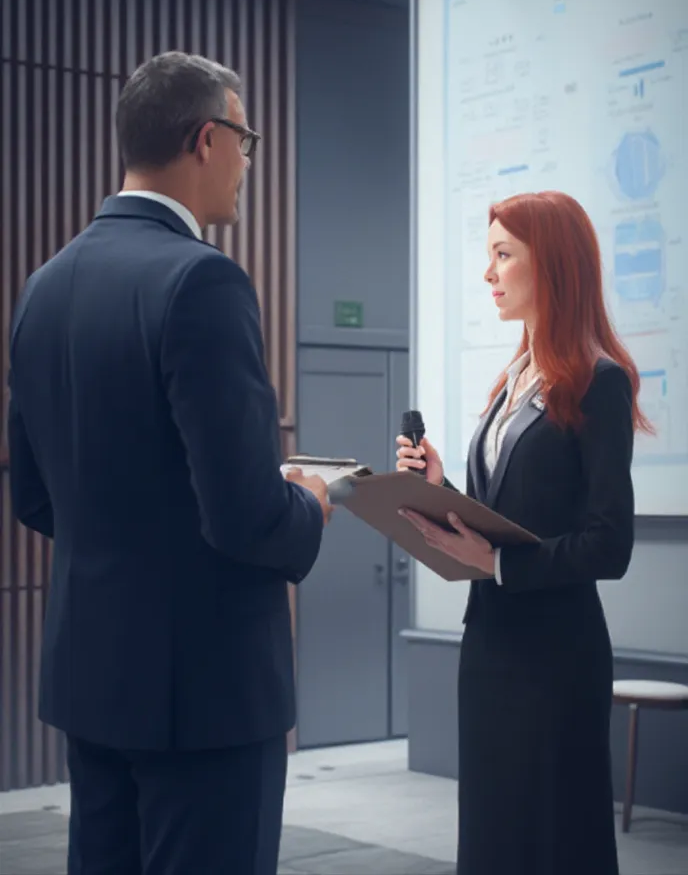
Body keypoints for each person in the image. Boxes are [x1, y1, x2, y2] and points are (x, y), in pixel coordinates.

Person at [8, 51, 332, 875]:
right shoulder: (203, 281)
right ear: (206, 139)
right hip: (204, 695)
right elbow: (246, 515)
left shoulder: (43, 289)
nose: (248, 161)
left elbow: (36, 495)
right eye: (245, 138)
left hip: (93, 682)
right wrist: (312, 501)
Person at [396, 191, 651, 875]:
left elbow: (609, 542)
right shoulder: (509, 384)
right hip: (490, 647)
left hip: (556, 659)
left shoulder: (600, 383)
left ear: (555, 266)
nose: (489, 274)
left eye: (503, 255)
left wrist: (502, 567)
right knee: (493, 836)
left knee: (554, 840)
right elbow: (500, 521)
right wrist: (439, 490)